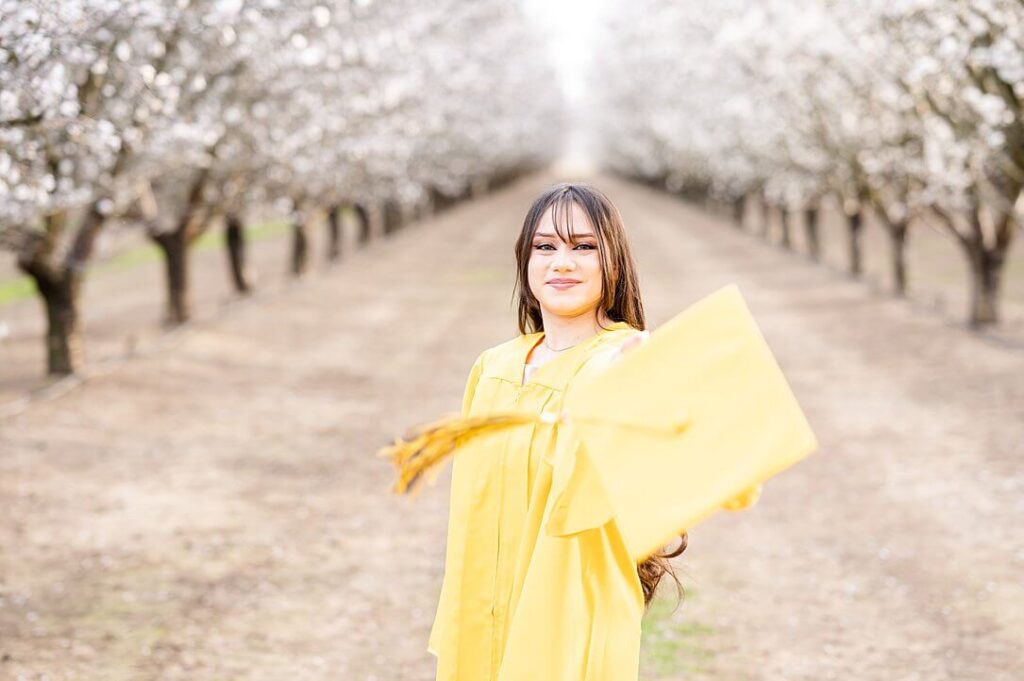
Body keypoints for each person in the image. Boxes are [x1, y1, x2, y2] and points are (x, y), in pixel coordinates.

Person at [428, 182, 687, 680]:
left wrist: (634, 383)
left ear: (613, 261)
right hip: (480, 615)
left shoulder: (621, 360)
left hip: (570, 621)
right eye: (545, 246)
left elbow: (650, 487)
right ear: (525, 262)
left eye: (583, 247)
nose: (561, 262)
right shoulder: (493, 368)